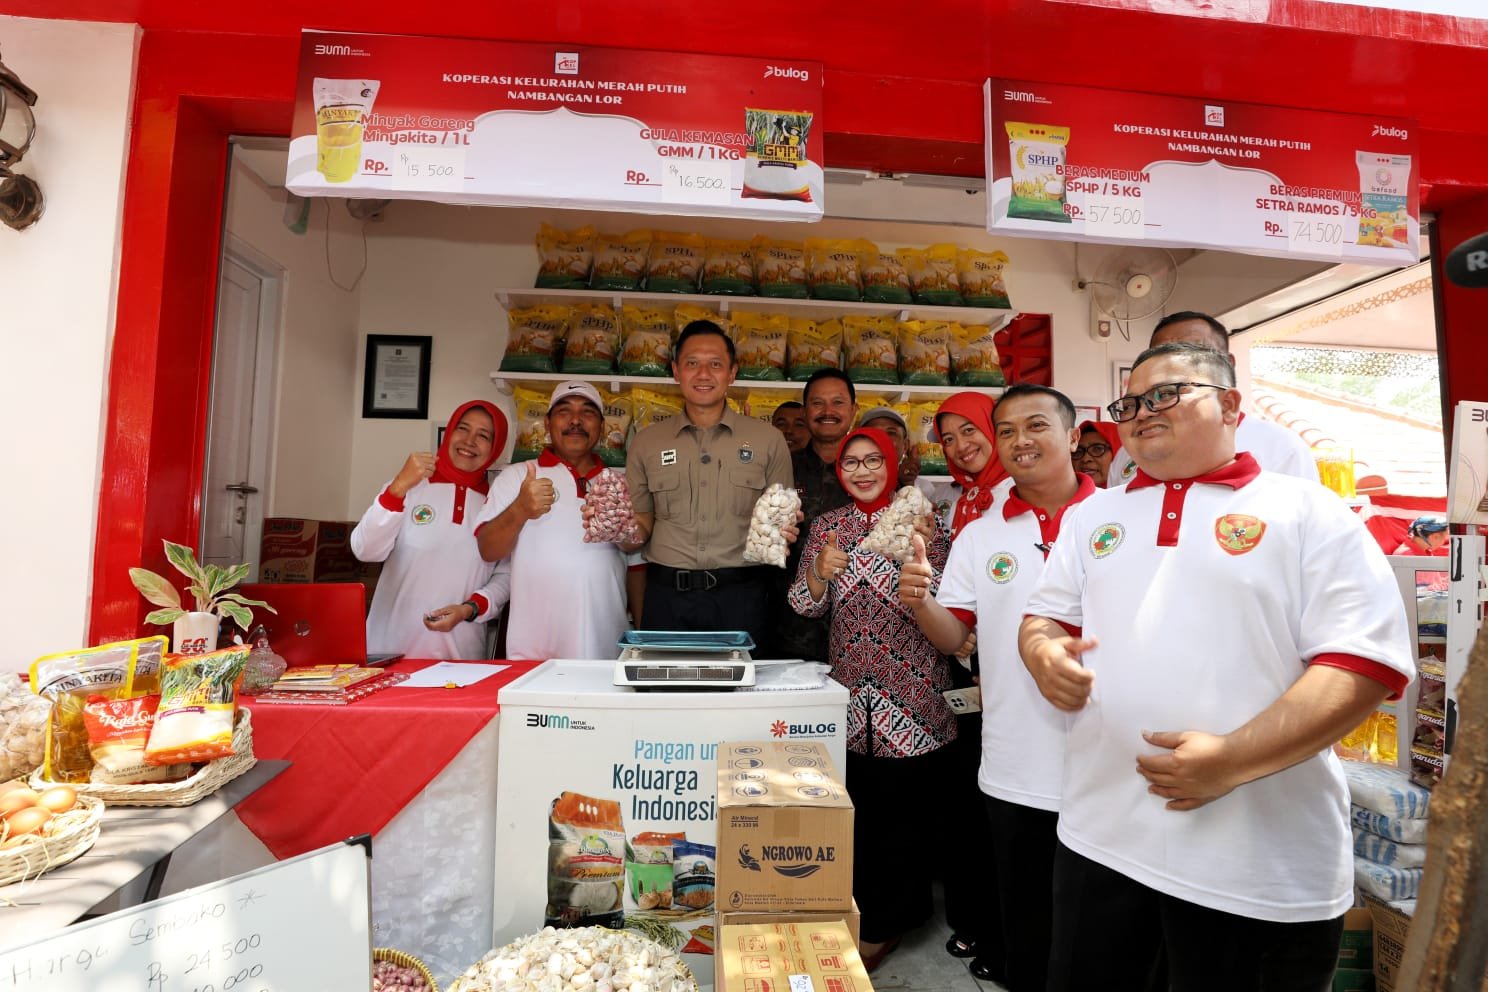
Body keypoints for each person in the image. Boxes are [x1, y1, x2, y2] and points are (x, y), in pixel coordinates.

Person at [1018, 342, 1413, 992]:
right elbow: (1046, 616)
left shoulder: (1308, 510)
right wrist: (1041, 653)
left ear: (1230, 405)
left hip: (1254, 865)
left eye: (1165, 394)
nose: (1142, 412)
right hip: (1099, 839)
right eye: (1129, 403)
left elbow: (1362, 664)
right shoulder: (1094, 515)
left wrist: (1233, 759)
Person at [900, 383, 1095, 991]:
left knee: (1101, 941)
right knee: (1029, 931)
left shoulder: (1116, 519)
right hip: (1017, 764)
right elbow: (954, 633)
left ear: (1073, 436)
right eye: (1006, 431)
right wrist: (921, 601)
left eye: (1035, 426)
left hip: (1111, 766)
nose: (1019, 441)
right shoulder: (981, 534)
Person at [787, 427, 957, 973]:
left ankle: (887, 924)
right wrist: (818, 573)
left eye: (872, 460)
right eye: (851, 463)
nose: (861, 471)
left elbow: (955, 605)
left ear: (892, 463)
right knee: (859, 811)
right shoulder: (829, 526)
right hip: (850, 695)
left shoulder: (924, 522)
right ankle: (863, 909)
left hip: (911, 692)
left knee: (902, 815)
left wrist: (924, 572)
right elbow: (804, 605)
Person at [624, 321, 794, 648]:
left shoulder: (768, 439)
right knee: (665, 681)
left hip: (742, 597)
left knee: (743, 681)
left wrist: (782, 530)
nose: (703, 374)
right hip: (666, 597)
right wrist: (618, 530)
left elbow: (779, 523)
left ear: (732, 373)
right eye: (692, 363)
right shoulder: (647, 442)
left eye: (715, 364)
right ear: (676, 371)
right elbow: (641, 522)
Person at [474, 381, 642, 659]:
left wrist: (642, 638)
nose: (576, 420)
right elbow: (487, 550)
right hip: (536, 648)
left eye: (587, 412)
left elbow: (637, 567)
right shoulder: (517, 476)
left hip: (606, 645)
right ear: (547, 423)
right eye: (564, 411)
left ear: (601, 427)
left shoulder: (619, 483)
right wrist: (520, 509)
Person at [351, 400, 512, 660]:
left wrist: (471, 608)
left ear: (496, 448)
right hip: (389, 652)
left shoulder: (499, 505)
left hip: (462, 657)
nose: (469, 441)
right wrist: (398, 487)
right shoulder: (409, 486)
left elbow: (505, 575)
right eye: (463, 428)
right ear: (449, 433)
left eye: (483, 436)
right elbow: (365, 550)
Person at [1106, 311, 1319, 486]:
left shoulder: (1281, 447)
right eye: (1161, 352)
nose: (1175, 360)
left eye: (1194, 350)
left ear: (1228, 363)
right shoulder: (1127, 456)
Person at [778, 369, 859, 661]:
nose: (828, 411)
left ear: (853, 410)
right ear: (805, 411)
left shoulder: (872, 472)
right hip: (787, 625)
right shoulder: (782, 467)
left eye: (838, 402)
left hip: (856, 627)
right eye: (817, 403)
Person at [937, 392, 1012, 539]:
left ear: (993, 428)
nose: (961, 446)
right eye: (949, 439)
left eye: (968, 430)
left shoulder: (1024, 492)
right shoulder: (943, 497)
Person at [1073, 419, 1121, 488]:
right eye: (1078, 451)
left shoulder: (1134, 493)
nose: (1085, 459)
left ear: (1118, 451)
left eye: (1098, 449)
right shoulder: (1063, 494)